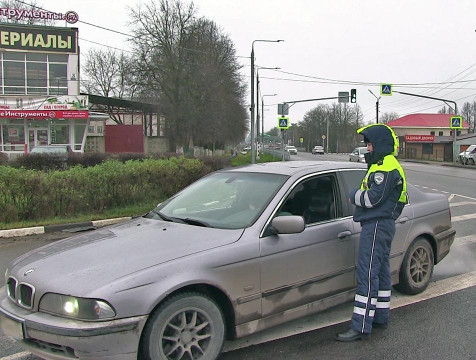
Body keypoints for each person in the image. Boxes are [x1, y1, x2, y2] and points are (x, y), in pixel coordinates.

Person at [336, 123, 407, 342]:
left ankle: (360, 326)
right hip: (382, 224)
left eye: (369, 144)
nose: (367, 148)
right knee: (382, 273)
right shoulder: (383, 163)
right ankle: (380, 316)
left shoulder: (385, 166)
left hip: (376, 225)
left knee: (367, 274)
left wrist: (353, 195)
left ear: (379, 144)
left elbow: (371, 199)